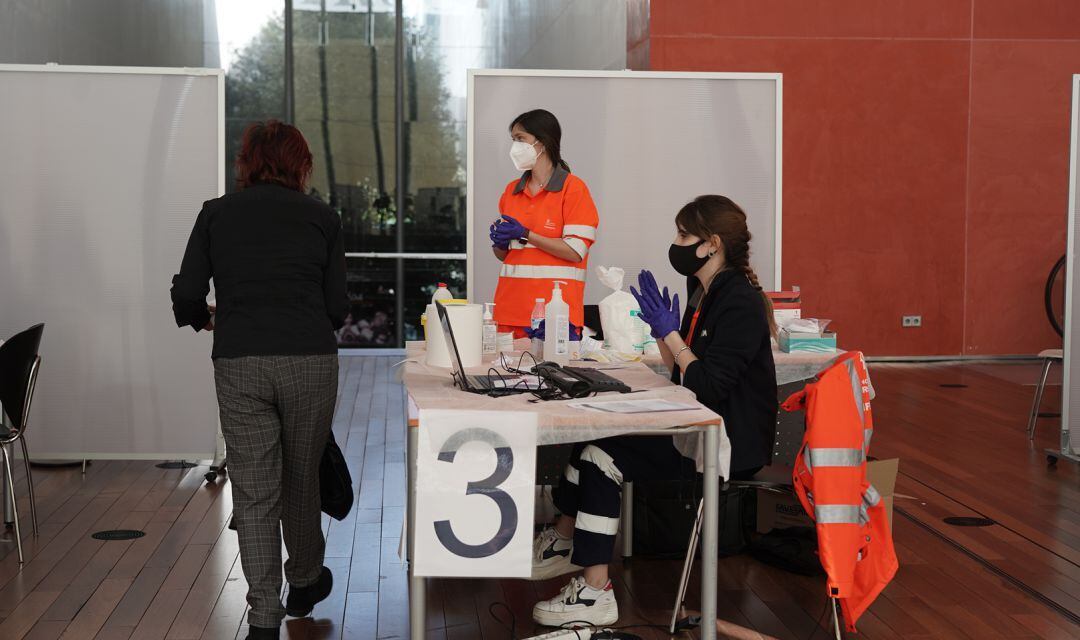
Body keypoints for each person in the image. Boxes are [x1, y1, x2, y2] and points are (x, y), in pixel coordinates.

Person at [529, 195, 778, 628]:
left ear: (712, 244)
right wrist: (665, 334)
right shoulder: (703, 289)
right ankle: (563, 544)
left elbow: (709, 386)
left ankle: (594, 594)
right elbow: (682, 372)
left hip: (726, 442)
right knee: (592, 435)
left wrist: (672, 334)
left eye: (684, 234)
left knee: (600, 456)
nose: (676, 242)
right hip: (700, 424)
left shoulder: (740, 301)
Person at [170, 120, 347, 640]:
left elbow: (185, 296)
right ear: (301, 163)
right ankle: (307, 579)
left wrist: (208, 318)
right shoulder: (321, 217)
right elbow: (337, 307)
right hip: (310, 360)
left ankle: (264, 617)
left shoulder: (216, 214)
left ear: (245, 161)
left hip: (240, 361)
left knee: (254, 491)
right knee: (301, 475)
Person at [489, 109, 599, 338]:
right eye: (513, 140)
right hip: (509, 313)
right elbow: (507, 256)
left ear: (542, 142)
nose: (515, 147)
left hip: (556, 318)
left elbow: (575, 251)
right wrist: (499, 244)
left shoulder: (573, 189)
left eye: (521, 139)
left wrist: (526, 233)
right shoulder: (512, 191)